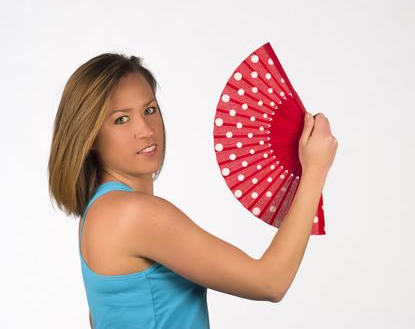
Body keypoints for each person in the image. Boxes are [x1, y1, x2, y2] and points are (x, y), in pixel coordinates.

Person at [47, 53, 338, 328]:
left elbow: (98, 320)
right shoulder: (135, 213)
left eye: (149, 110)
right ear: (90, 136)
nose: (146, 130)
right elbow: (270, 282)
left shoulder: (97, 213)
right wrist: (314, 170)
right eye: (121, 119)